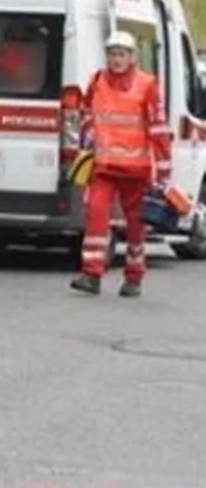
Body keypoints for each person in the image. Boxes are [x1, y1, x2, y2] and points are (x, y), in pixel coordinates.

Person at [70, 30, 171, 298]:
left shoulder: (147, 85)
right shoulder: (97, 81)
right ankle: (91, 274)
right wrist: (87, 139)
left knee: (136, 224)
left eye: (122, 54)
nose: (116, 60)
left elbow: (159, 129)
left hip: (136, 170)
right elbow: (87, 114)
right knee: (96, 214)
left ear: (132, 57)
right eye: (112, 54)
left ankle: (134, 276)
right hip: (104, 166)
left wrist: (163, 170)